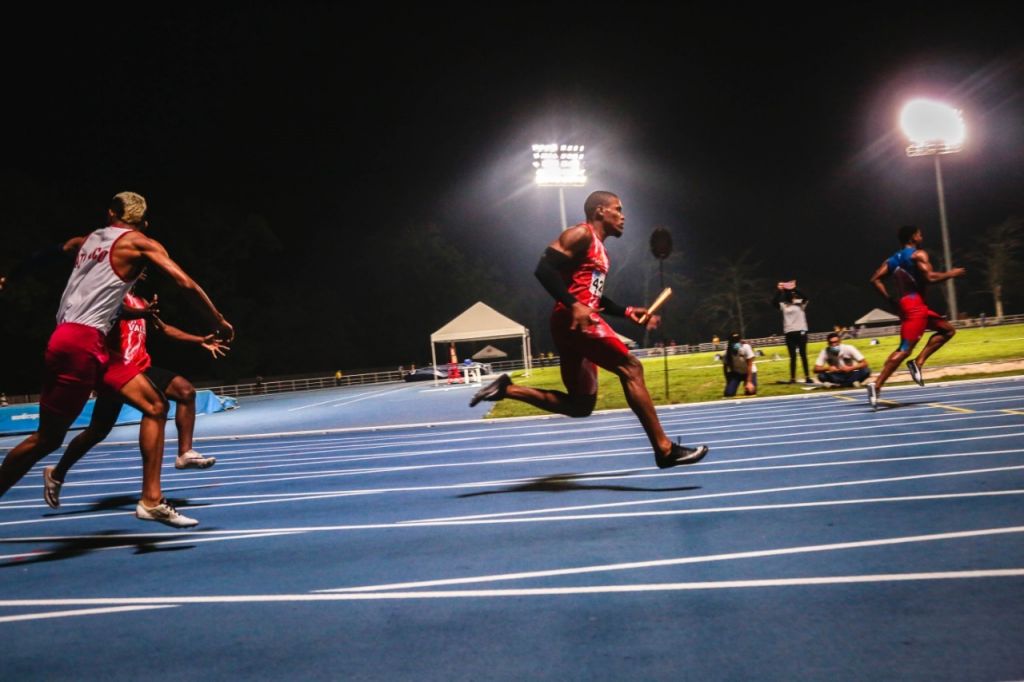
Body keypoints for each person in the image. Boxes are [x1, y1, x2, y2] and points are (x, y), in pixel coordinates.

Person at [0, 191, 233, 527]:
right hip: (80, 345)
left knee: (154, 406)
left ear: (111, 214)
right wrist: (218, 321)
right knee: (47, 439)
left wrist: (14, 274)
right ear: (144, 223)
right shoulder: (140, 243)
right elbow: (184, 281)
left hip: (82, 343)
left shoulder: (89, 239)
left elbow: (52, 253)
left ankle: (151, 501)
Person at [469, 191, 708, 468]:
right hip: (575, 321)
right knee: (631, 368)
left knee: (580, 406)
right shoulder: (580, 234)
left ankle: (508, 389)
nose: (623, 216)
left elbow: (594, 298)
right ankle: (664, 449)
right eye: (617, 209)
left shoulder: (600, 251)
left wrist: (628, 312)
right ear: (599, 211)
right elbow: (543, 269)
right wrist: (573, 304)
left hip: (572, 322)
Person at [41, 282, 230, 509]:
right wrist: (141, 312)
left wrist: (199, 340)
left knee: (185, 392)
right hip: (117, 371)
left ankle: (184, 453)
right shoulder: (110, 297)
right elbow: (119, 312)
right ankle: (57, 473)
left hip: (141, 368)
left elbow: (165, 329)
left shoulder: (142, 302)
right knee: (96, 432)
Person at [866, 224, 965, 408]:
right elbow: (930, 278)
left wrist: (890, 300)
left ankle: (918, 363)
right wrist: (952, 273)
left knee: (948, 331)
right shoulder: (918, 255)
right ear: (913, 237)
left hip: (910, 305)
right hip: (915, 308)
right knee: (904, 349)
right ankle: (876, 385)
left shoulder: (892, 260)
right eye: (919, 234)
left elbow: (875, 280)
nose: (922, 236)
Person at [772, 280, 811, 384]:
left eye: (792, 294)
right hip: (789, 333)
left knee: (803, 354)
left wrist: (793, 288)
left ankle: (807, 377)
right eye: (790, 293)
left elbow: (806, 297)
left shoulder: (800, 304)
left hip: (801, 331)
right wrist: (779, 291)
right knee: (793, 356)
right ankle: (793, 378)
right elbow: (774, 302)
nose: (791, 295)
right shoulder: (784, 305)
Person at [721, 332, 757, 397]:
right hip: (736, 373)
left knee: (751, 392)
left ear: (740, 340)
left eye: (737, 340)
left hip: (749, 372)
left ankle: (749, 384)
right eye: (733, 341)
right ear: (730, 342)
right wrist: (728, 381)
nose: (735, 342)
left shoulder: (746, 347)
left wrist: (749, 382)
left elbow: (750, 365)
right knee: (728, 394)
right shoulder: (726, 352)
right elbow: (725, 368)